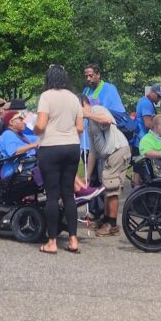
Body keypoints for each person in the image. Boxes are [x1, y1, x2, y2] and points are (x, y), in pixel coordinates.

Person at [33, 64, 84, 255]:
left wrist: (35, 130)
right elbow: (80, 127)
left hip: (51, 147)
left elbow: (41, 125)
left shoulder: (46, 96)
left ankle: (52, 241)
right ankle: (73, 240)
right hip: (72, 147)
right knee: (69, 194)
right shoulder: (73, 98)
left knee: (52, 196)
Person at [81, 94, 132, 237]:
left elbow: (108, 120)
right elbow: (92, 152)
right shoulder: (89, 125)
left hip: (117, 150)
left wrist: (88, 114)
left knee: (111, 185)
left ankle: (112, 224)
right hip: (108, 155)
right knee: (106, 185)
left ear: (83, 104)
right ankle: (106, 218)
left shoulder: (97, 109)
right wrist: (88, 175)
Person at [0, 109, 39, 179]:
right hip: (14, 170)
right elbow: (15, 152)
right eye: (21, 119)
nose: (24, 122)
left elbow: (38, 139)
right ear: (11, 122)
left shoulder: (21, 135)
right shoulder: (7, 134)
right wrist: (34, 145)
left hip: (26, 164)